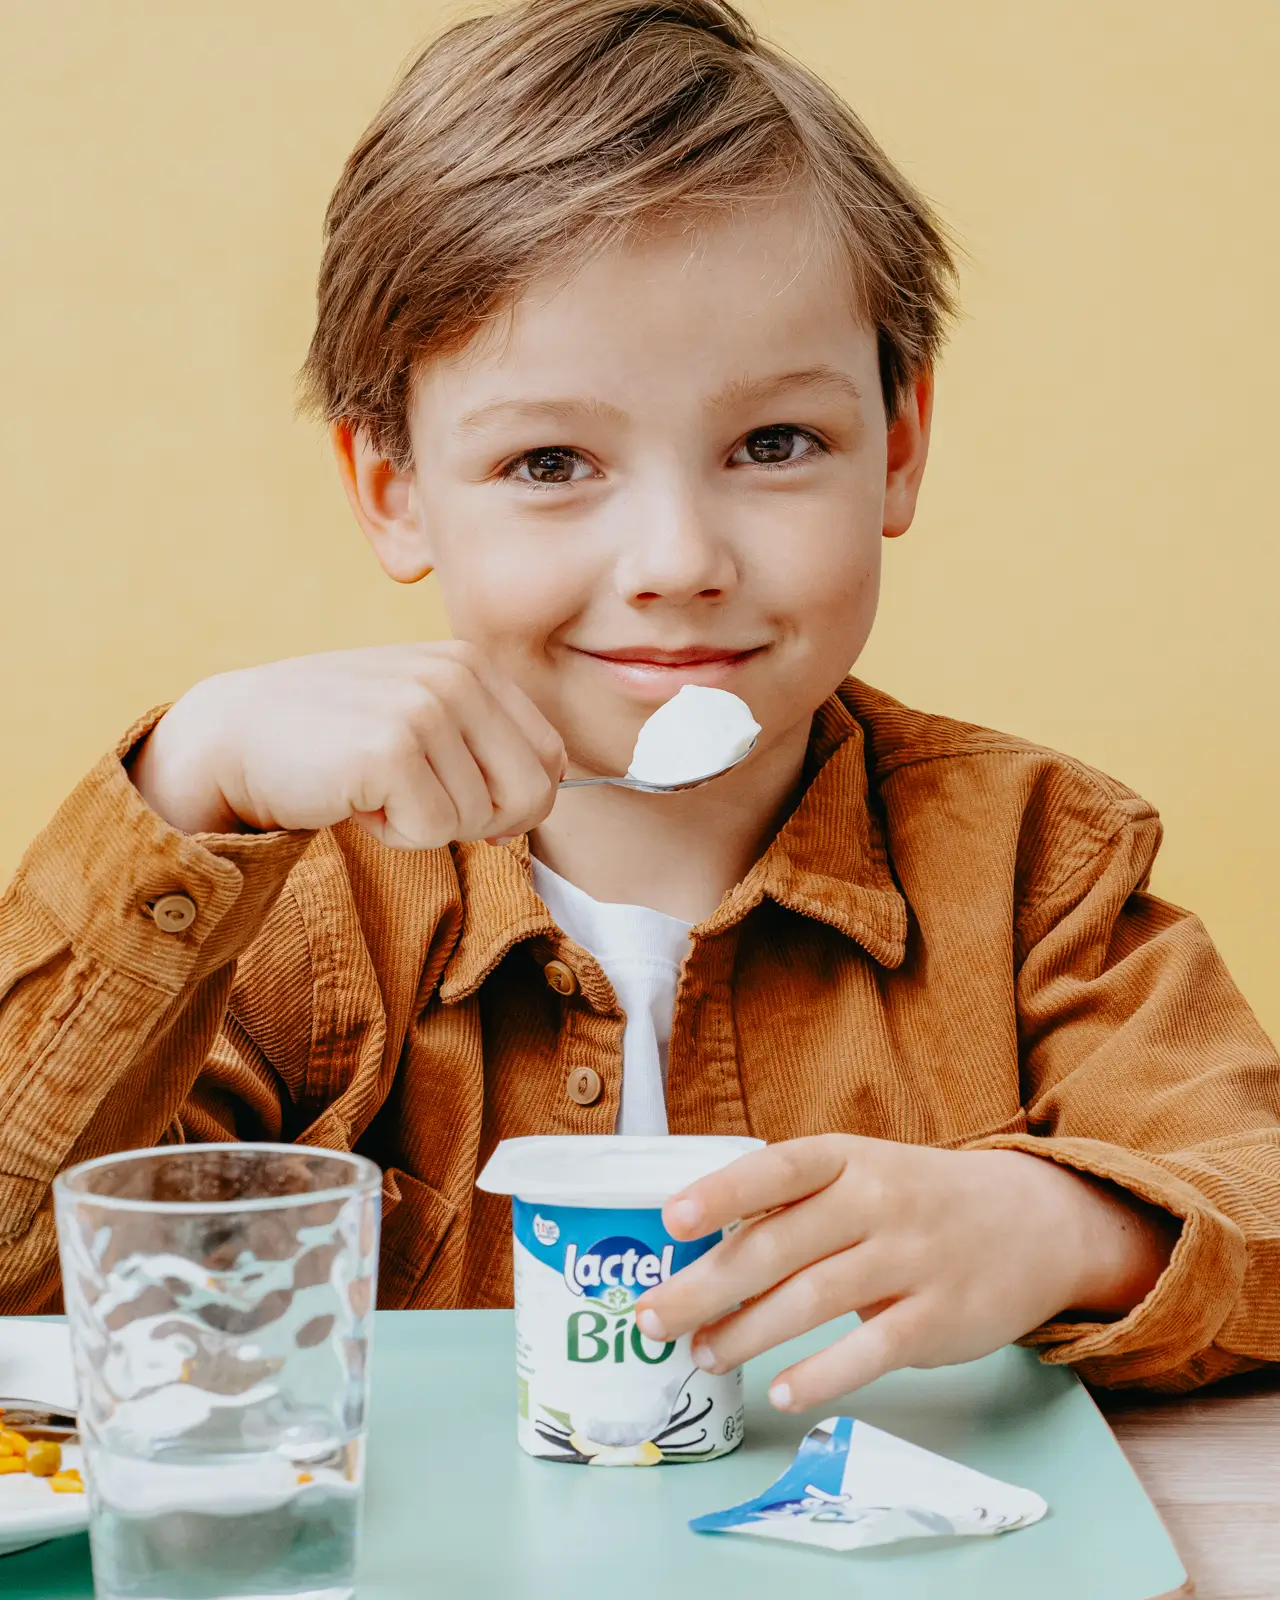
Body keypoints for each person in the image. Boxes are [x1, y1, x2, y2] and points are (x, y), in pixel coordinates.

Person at [1, 0, 1276, 1412]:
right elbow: (28, 1275)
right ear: (394, 489)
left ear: (898, 446)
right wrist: (185, 785)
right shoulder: (305, 916)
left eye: (773, 444)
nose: (677, 562)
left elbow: (1254, 1200)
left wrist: (1069, 1230)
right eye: (552, 461)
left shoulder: (1041, 868)